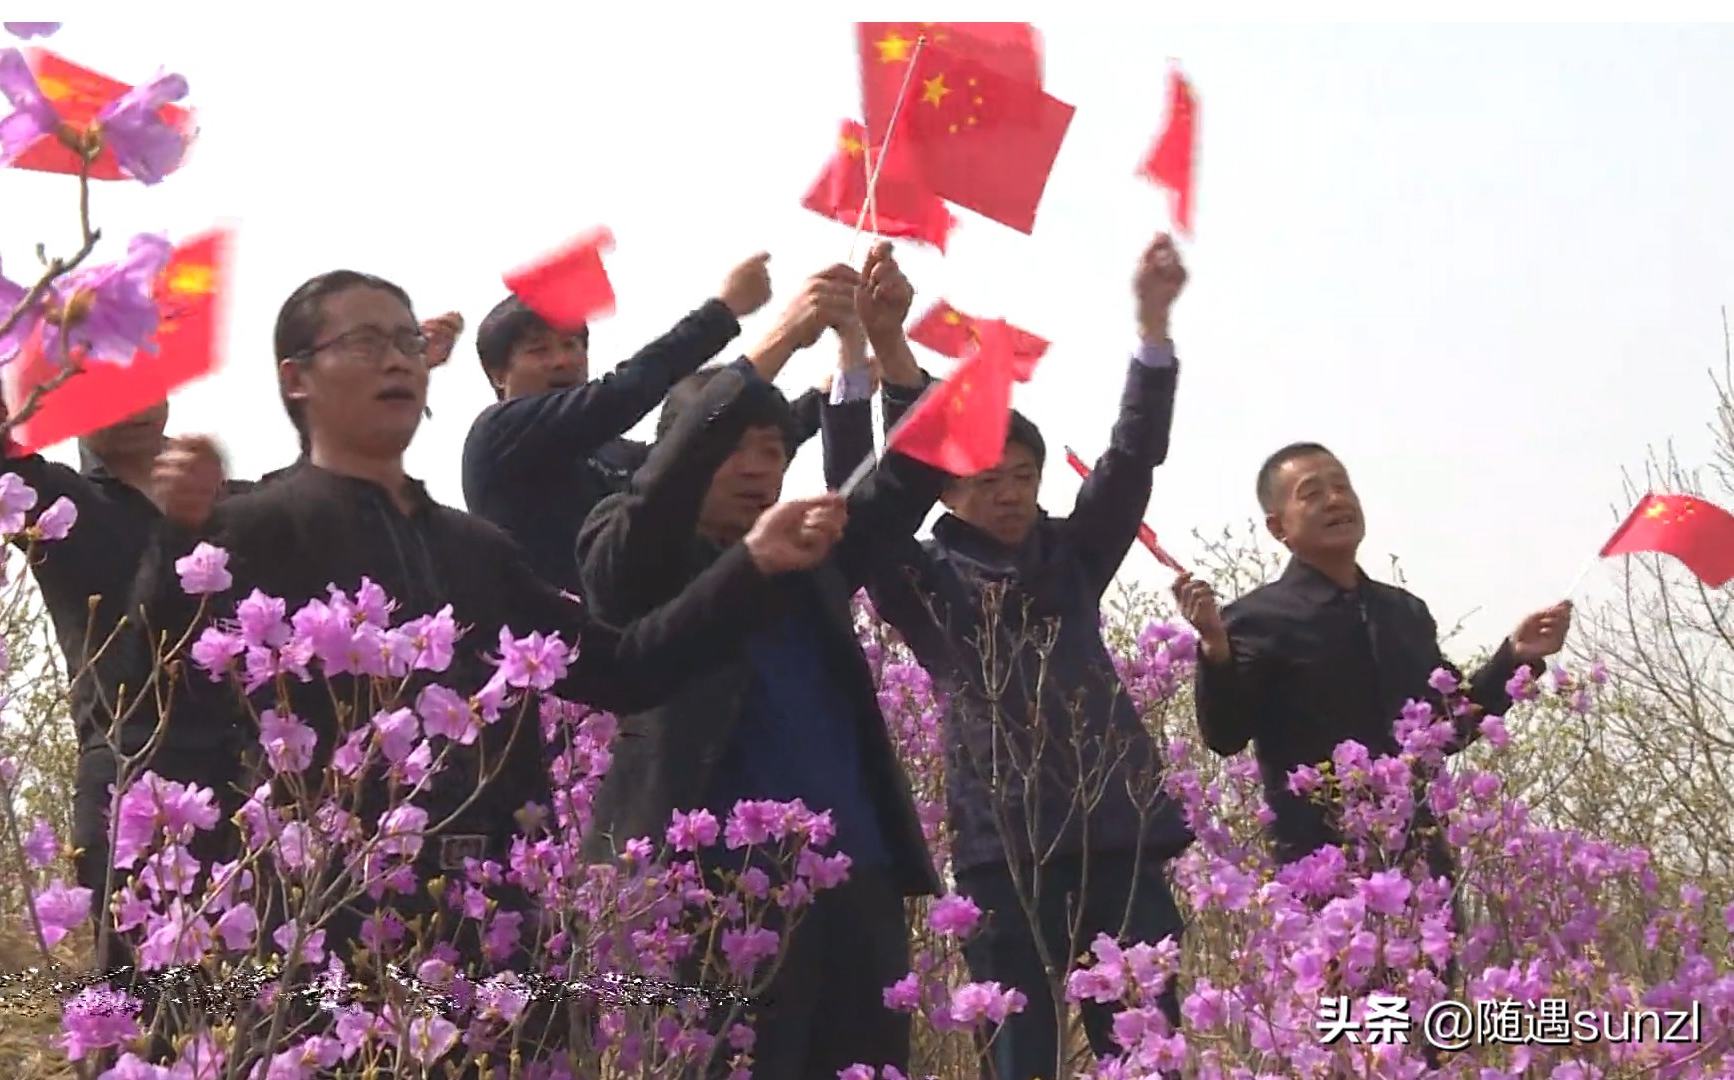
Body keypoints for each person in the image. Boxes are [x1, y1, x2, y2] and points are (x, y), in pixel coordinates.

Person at [118, 268, 845, 1052]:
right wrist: (176, 544)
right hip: (326, 929)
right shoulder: (250, 527)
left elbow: (627, 671)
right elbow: (155, 691)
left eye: (407, 342)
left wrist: (753, 564)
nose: (398, 361)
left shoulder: (476, 550)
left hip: (494, 923)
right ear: (296, 379)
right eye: (365, 343)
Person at [576, 243, 942, 1080]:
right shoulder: (630, 545)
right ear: (676, 457)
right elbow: (649, 505)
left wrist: (886, 343)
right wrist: (778, 338)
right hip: (706, 895)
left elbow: (911, 477)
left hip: (856, 884)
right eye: (730, 447)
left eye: (773, 450)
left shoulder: (809, 550)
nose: (756, 466)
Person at [834, 236, 1197, 1080]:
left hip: (1118, 836)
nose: (1008, 494)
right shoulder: (919, 580)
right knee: (1019, 1057)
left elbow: (1132, 459)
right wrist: (882, 351)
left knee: (1147, 1051)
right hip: (1004, 851)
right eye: (985, 478)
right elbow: (864, 507)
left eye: (1023, 476)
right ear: (946, 489)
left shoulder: (1072, 557)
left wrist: (1152, 323)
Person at [0, 301, 263, 1008]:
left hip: (249, 775)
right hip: (132, 771)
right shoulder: (60, 500)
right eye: (98, 379)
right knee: (143, 1008)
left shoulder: (233, 504)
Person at [1173, 443, 1573, 878]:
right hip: (1320, 871)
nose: (1335, 500)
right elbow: (1225, 735)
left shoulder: (1404, 612)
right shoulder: (1255, 620)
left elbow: (1447, 727)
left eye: (1342, 487)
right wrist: (1215, 646)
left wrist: (1516, 656)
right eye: (1312, 493)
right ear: (1278, 527)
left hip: (1419, 870)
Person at [460, 255, 853, 593]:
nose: (563, 360)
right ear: (498, 374)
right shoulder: (496, 437)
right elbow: (623, 393)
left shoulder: (614, 453)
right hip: (555, 663)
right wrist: (727, 312)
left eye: (572, 345)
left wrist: (822, 395)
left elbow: (698, 456)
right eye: (539, 349)